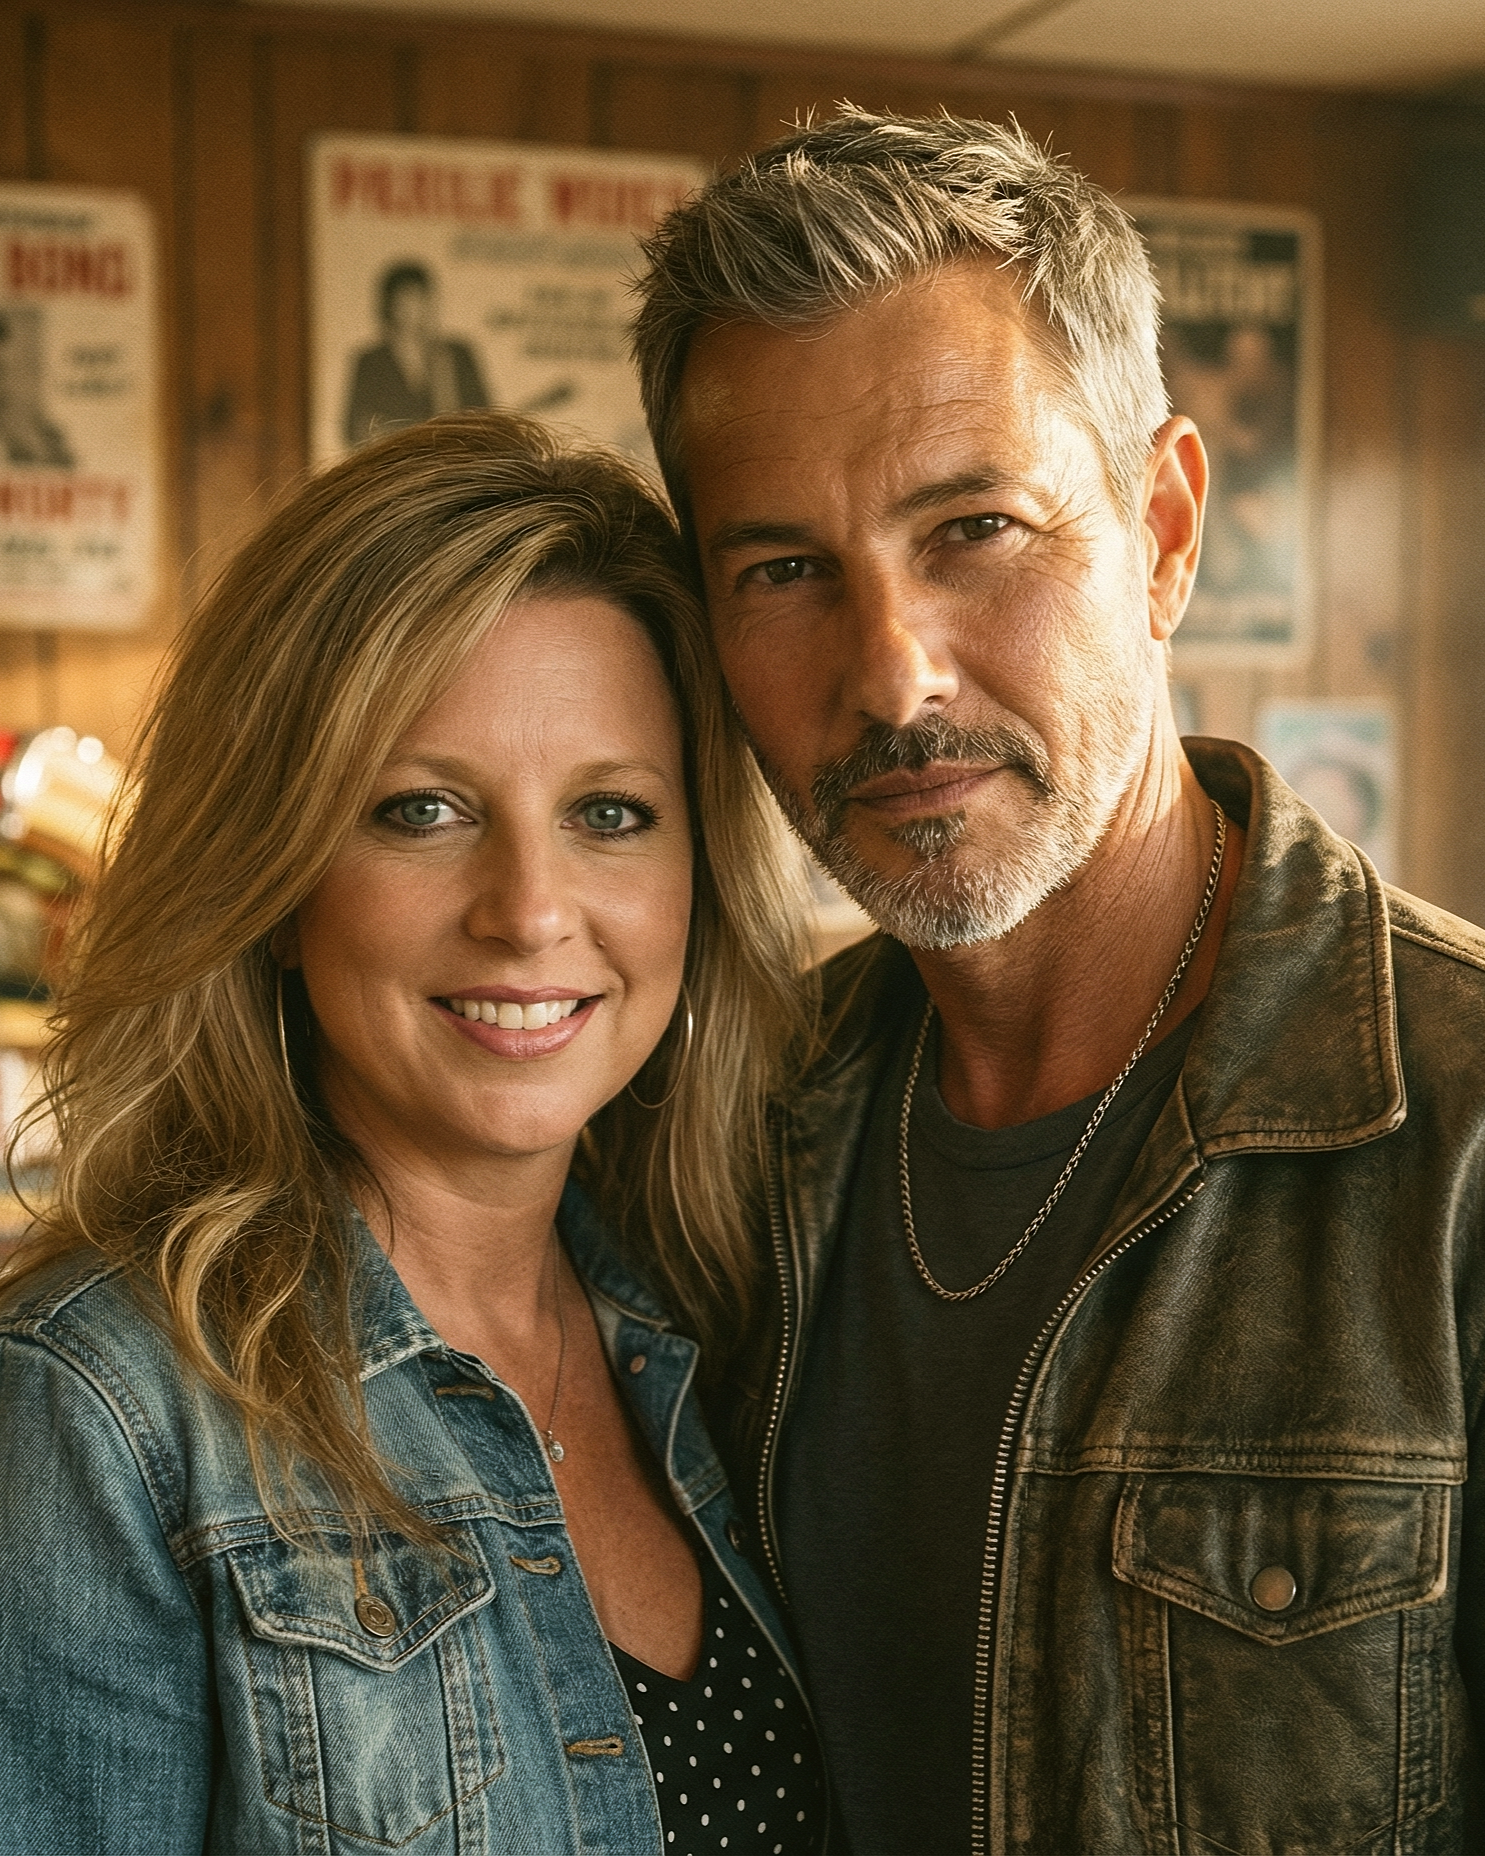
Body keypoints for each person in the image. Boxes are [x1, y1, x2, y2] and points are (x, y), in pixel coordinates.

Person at [632, 110, 1485, 1854]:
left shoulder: (1459, 1140)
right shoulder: (714, 1128)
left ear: (1166, 530)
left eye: (976, 530)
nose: (893, 675)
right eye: (785, 570)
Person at [0, 412, 829, 1856]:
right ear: (270, 881)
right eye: (422, 809)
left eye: (612, 813)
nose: (526, 909)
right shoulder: (101, 1417)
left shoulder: (738, 1326)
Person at [343, 261, 490, 447]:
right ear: (390, 305)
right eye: (405, 301)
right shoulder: (371, 361)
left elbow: (485, 417)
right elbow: (353, 427)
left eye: (420, 299)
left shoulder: (457, 353)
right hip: (395, 464)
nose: (413, 310)